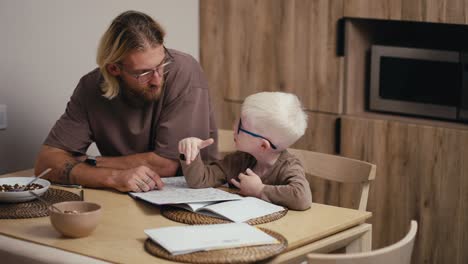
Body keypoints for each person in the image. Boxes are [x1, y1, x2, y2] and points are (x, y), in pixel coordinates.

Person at [34, 10, 218, 193]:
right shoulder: (90, 87)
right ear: (114, 69)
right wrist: (113, 177)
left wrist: (90, 163)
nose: (157, 79)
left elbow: (166, 165)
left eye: (162, 65)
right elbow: (46, 164)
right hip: (121, 193)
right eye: (144, 73)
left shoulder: (184, 71)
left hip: (188, 192)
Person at [178, 92, 312, 210]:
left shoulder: (288, 167)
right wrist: (191, 153)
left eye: (241, 124)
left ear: (263, 146)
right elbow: (200, 180)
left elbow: (302, 198)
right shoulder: (239, 160)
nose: (234, 125)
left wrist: (259, 190)